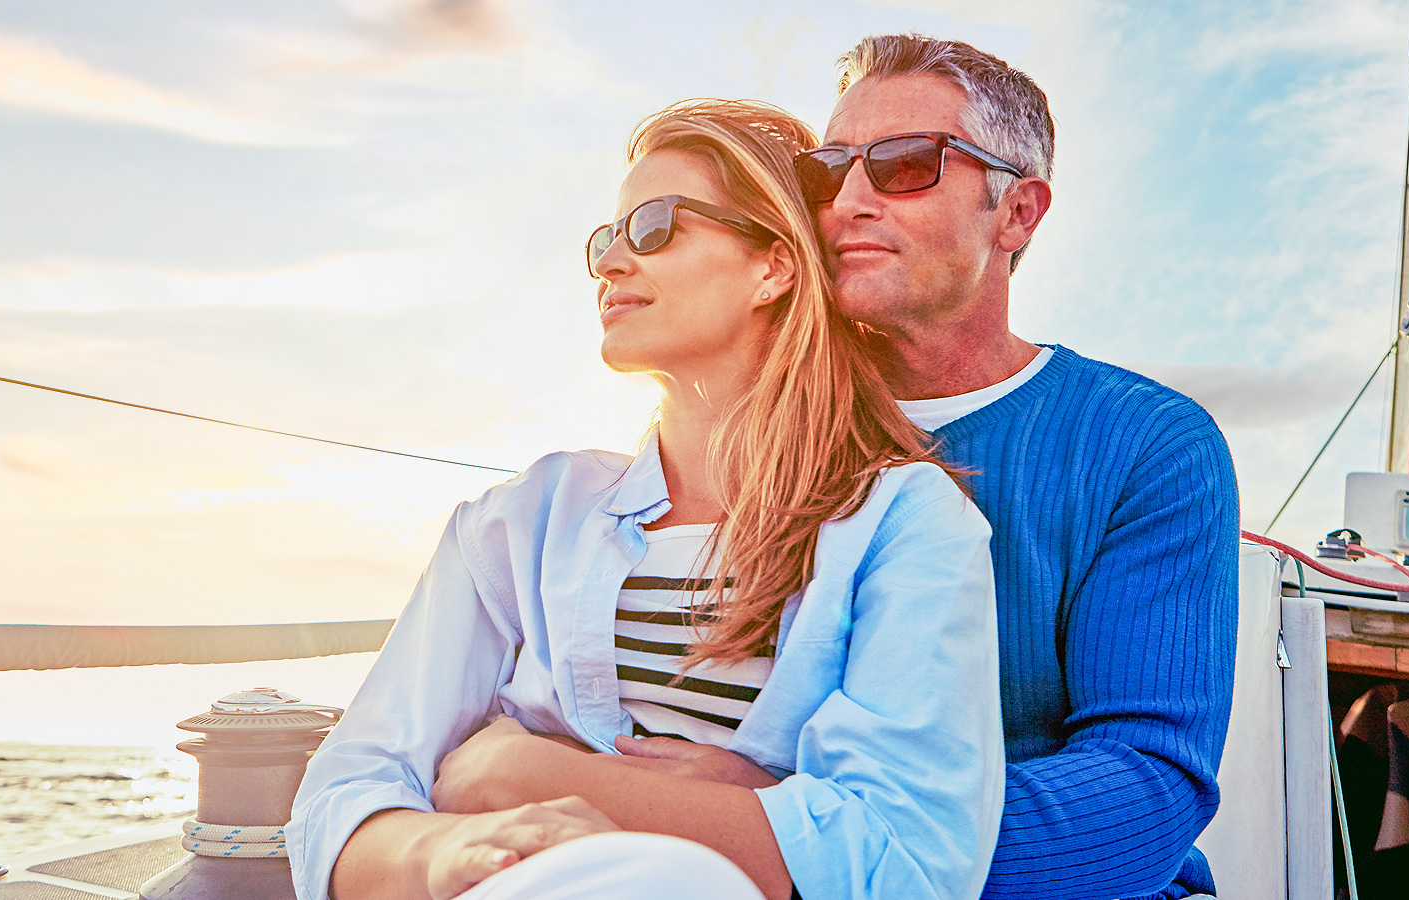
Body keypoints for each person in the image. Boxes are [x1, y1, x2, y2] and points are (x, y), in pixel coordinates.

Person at [286, 99, 1002, 900]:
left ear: (775, 266)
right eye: (607, 238)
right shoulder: (519, 523)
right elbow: (339, 800)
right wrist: (449, 854)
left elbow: (907, 860)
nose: (611, 262)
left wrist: (518, 773)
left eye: (656, 226)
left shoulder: (903, 523)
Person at [792, 33, 1239, 900]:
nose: (846, 199)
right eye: (828, 168)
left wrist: (813, 846)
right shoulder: (760, 430)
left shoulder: (1148, 444)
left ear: (1019, 213)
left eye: (904, 162)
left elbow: (1147, 784)